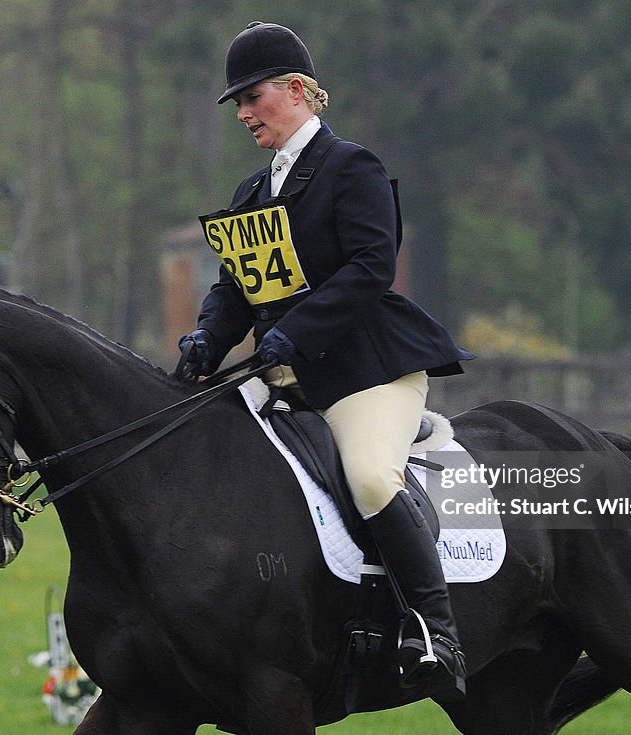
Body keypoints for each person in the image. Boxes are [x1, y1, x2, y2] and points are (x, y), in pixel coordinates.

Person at [179, 21, 472, 700]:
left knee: (371, 476)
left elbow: (372, 268)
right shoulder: (252, 194)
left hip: (365, 372)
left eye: (253, 98)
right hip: (282, 375)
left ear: (298, 90)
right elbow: (234, 292)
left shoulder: (352, 168)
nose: (245, 114)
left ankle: (437, 628)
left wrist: (296, 331)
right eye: (239, 106)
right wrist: (205, 339)